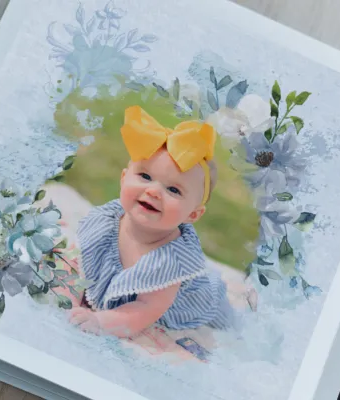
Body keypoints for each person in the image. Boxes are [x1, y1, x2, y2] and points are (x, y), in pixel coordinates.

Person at [69, 105, 233, 338]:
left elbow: (145, 310)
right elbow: (80, 261)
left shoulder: (170, 262)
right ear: (124, 178)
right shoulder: (106, 222)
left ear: (192, 215)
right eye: (145, 176)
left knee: (233, 325)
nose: (154, 191)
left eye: (174, 190)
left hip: (193, 302)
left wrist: (100, 321)